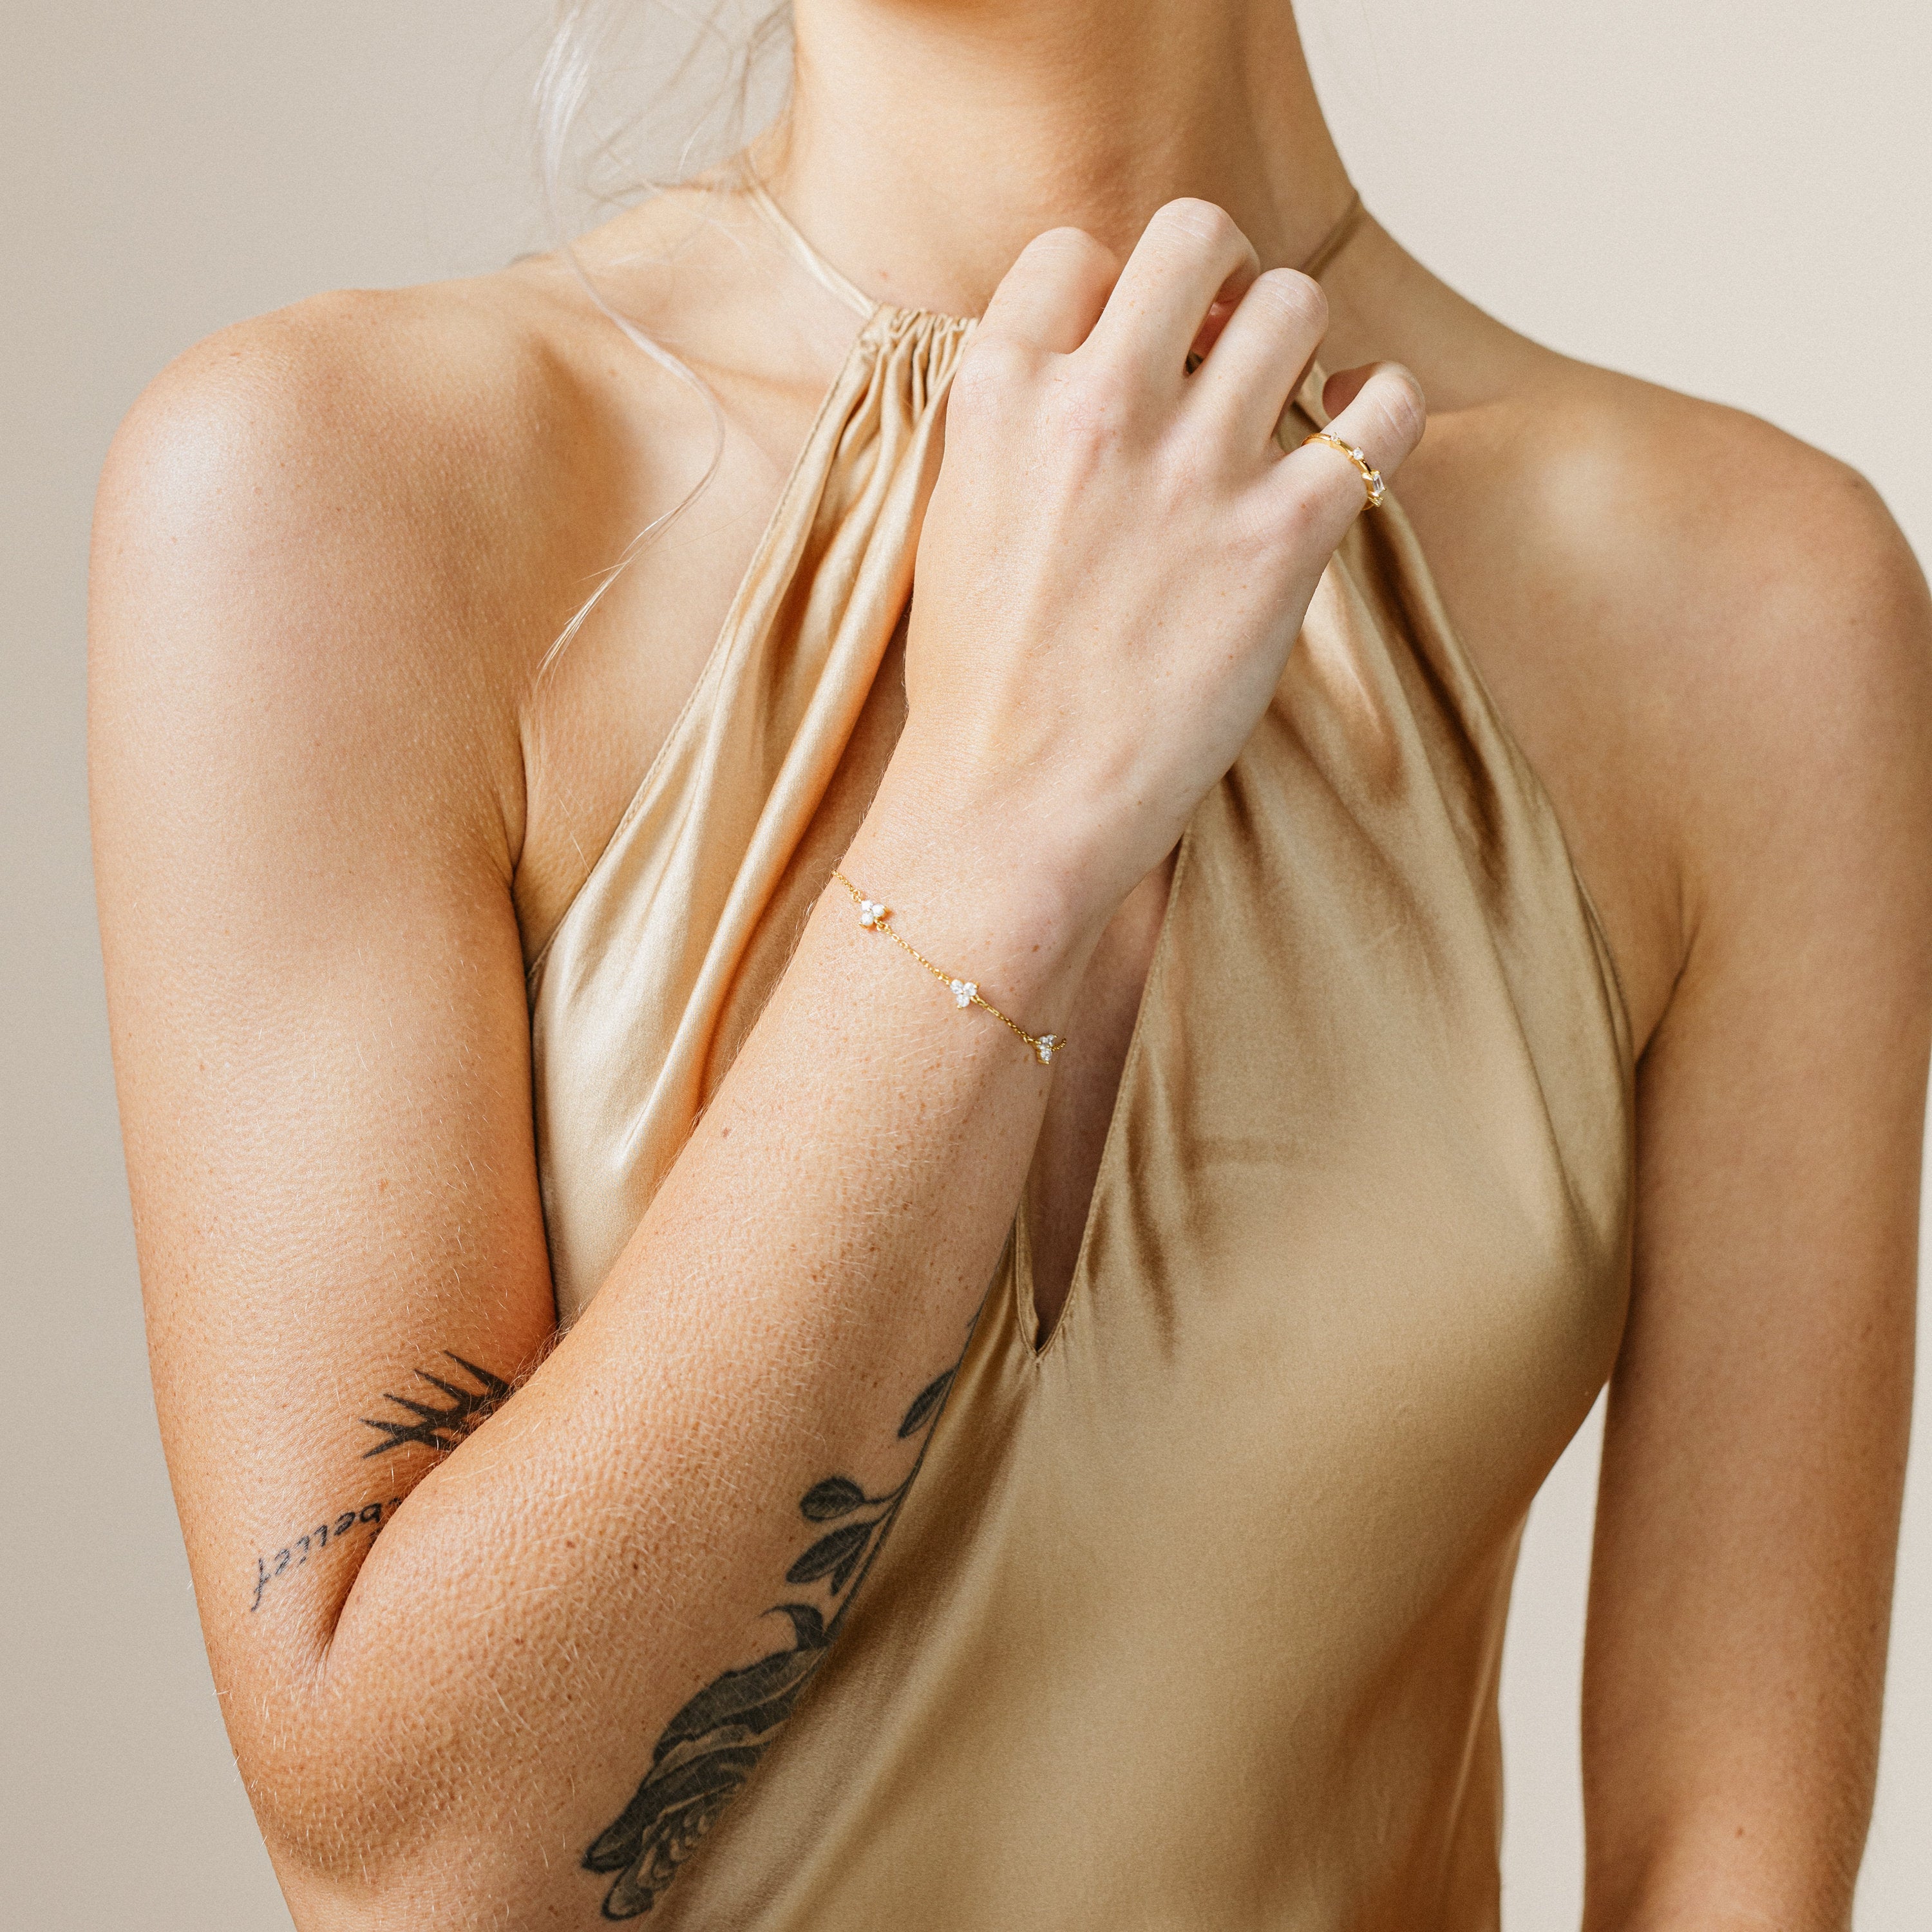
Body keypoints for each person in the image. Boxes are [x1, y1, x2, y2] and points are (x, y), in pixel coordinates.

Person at [88, 2, 1929, 1926]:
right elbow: (412, 1877)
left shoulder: (1756, 617)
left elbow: (1723, 1880)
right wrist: (1003, 820)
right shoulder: (330, 493)